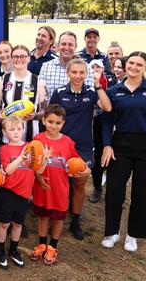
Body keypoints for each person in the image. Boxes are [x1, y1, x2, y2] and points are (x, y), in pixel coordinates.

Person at [100, 51, 146, 252]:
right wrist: (107, 145)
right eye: (131, 63)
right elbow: (107, 121)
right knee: (114, 189)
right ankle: (112, 232)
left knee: (143, 192)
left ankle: (133, 234)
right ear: (125, 65)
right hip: (121, 144)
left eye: (139, 64)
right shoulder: (114, 91)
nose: (133, 67)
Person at [49, 58, 111, 239]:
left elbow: (107, 107)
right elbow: (51, 118)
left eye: (81, 72)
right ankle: (56, 215)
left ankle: (75, 222)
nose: (78, 76)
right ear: (68, 73)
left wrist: (98, 86)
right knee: (59, 183)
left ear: (87, 74)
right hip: (61, 144)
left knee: (80, 183)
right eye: (74, 72)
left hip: (83, 146)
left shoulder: (91, 93)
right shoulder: (59, 93)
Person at [29, 104, 90, 266]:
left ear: (63, 123)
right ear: (43, 121)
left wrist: (84, 171)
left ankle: (53, 247)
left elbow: (78, 164)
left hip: (60, 188)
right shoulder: (38, 140)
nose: (53, 126)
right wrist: (38, 177)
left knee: (57, 218)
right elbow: (33, 163)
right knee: (43, 216)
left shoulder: (68, 142)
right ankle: (42, 244)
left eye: (57, 123)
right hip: (42, 187)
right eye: (50, 121)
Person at [0, 115, 42, 269]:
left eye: (19, 129)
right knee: (4, 224)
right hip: (8, 192)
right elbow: (8, 170)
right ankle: (0, 251)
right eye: (11, 129)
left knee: (18, 224)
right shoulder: (4, 148)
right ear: (4, 131)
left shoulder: (31, 146)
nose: (16, 132)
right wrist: (21, 157)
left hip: (24, 193)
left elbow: (39, 169)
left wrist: (45, 159)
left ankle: (13, 250)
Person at [0, 45, 47, 144]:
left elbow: (45, 111)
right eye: (15, 56)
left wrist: (34, 116)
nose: (19, 59)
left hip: (31, 137)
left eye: (22, 56)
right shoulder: (1, 80)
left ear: (29, 58)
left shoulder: (39, 81)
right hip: (6, 138)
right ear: (11, 58)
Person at [39, 31, 94, 101]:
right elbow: (41, 95)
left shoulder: (87, 68)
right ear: (58, 46)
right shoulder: (46, 67)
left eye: (70, 44)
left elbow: (89, 96)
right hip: (52, 111)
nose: (66, 47)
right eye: (63, 44)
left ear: (75, 47)